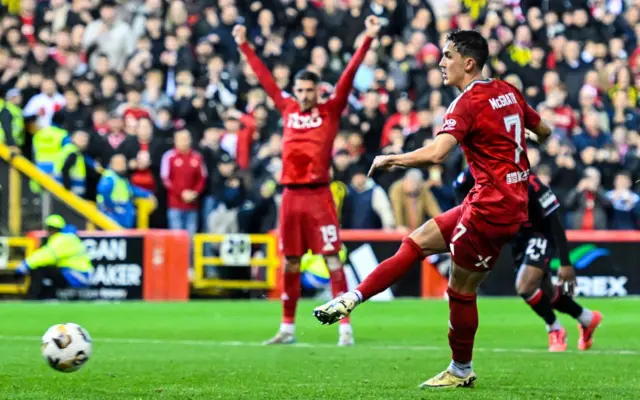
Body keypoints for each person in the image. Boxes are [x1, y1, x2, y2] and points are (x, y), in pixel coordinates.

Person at [313, 30, 552, 388]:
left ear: (468, 63)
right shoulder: (508, 90)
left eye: (448, 56)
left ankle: (460, 370)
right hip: (496, 199)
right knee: (417, 240)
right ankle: (354, 296)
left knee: (460, 290)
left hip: (492, 208)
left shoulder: (466, 103)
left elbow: (438, 153)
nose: (441, 63)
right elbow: (544, 131)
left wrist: (394, 159)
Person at [233, 16, 381, 346]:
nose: (303, 95)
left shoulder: (330, 110)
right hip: (290, 197)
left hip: (318, 195)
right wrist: (243, 44)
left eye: (308, 90)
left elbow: (348, 76)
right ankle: (287, 327)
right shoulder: (286, 108)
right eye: (299, 90)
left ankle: (345, 327)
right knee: (289, 260)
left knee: (331, 259)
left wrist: (368, 38)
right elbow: (265, 79)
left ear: (317, 91)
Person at [455, 168, 603, 352]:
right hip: (517, 238)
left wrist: (565, 262)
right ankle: (587, 319)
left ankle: (555, 328)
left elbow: (555, 220)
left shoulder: (531, 183)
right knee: (547, 292)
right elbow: (460, 189)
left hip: (540, 234)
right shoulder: (478, 172)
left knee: (525, 286)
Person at [15, 215, 92, 300]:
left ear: (52, 229)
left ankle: (31, 298)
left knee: (39, 270)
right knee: (49, 270)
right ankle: (48, 296)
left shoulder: (63, 239)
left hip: (77, 275)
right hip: (75, 273)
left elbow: (46, 255)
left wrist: (25, 265)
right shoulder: (69, 237)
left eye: (49, 229)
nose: (48, 232)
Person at [97, 153, 153, 228]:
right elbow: (103, 192)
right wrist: (113, 207)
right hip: (113, 218)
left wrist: (147, 194)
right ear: (111, 164)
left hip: (123, 217)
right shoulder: (109, 177)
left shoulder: (120, 178)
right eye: (119, 163)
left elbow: (131, 190)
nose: (122, 165)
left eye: (123, 162)